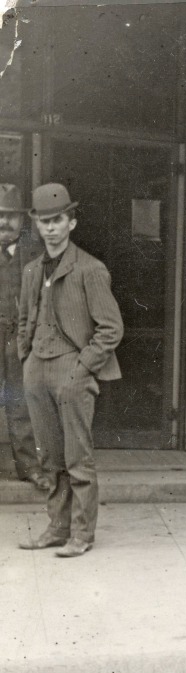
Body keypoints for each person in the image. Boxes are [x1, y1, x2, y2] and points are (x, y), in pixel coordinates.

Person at [16, 183, 123, 557]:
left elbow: (111, 328)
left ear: (71, 222)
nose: (50, 228)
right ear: (36, 225)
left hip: (71, 369)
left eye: (57, 220)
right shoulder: (32, 270)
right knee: (49, 456)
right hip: (37, 371)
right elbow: (25, 318)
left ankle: (82, 533)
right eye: (43, 221)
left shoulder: (90, 269)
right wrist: (26, 358)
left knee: (78, 456)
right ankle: (57, 527)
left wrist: (81, 369)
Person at [0, 183, 45, 491]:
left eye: (11, 216)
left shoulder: (36, 252)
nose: (4, 222)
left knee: (21, 403)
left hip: (20, 338)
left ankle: (29, 467)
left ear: (22, 219)